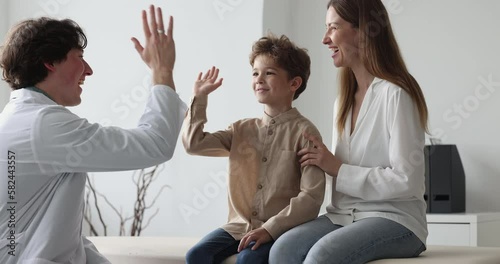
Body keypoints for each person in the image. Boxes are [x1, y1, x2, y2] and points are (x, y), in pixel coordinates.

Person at [0, 5, 186, 263]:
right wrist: (162, 70)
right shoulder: (43, 125)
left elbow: (61, 233)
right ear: (49, 62)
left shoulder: (19, 119)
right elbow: (155, 144)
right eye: (79, 56)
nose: (88, 70)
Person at [269, 0, 429, 263]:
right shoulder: (342, 102)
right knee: (282, 249)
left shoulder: (396, 94)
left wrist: (338, 168)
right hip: (344, 215)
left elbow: (406, 179)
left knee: (322, 255)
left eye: (333, 27)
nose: (324, 39)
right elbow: (334, 170)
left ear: (363, 31)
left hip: (396, 220)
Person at [182, 34, 326, 264]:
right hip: (237, 227)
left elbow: (311, 197)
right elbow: (193, 144)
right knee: (196, 255)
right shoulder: (240, 130)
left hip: (280, 230)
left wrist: (270, 228)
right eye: (255, 73)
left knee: (248, 260)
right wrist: (199, 99)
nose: (259, 79)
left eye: (269, 73)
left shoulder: (305, 133)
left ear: (294, 83)